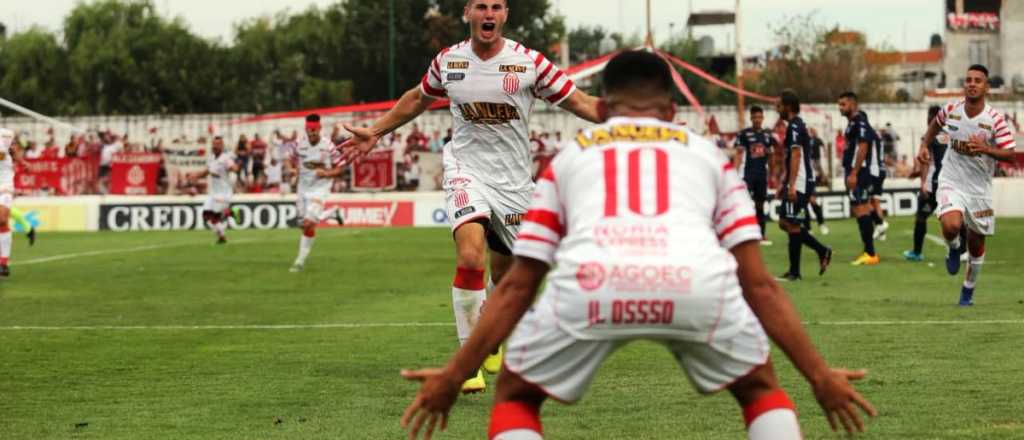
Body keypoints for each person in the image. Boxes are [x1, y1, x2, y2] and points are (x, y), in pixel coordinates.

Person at [399, 50, 875, 440]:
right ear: (671, 112)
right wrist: (819, 375)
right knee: (760, 390)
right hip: (694, 287)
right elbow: (759, 284)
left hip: (592, 287)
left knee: (517, 399)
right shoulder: (708, 157)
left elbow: (519, 285)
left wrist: (455, 373)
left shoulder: (569, 160)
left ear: (603, 110)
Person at [340, 0, 602, 393]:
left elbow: (581, 102)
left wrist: (638, 118)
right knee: (469, 256)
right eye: (481, 6)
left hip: (514, 184)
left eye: (496, 6)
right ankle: (469, 361)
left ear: (505, 14)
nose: (488, 13)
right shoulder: (449, 61)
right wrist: (376, 131)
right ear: (468, 13)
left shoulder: (530, 63)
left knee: (509, 276)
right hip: (466, 170)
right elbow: (417, 97)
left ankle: (491, 333)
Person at [916, 64, 1017, 306]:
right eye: (968, 80)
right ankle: (953, 246)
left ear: (986, 87)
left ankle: (967, 291)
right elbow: (935, 125)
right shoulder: (951, 109)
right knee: (951, 225)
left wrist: (986, 149)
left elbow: (1010, 154)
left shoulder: (995, 119)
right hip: (951, 180)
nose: (972, 84)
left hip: (979, 189)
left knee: (977, 244)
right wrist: (923, 145)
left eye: (977, 80)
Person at [777, 90, 832, 281]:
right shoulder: (796, 125)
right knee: (786, 222)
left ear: (788, 106)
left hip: (800, 182)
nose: (777, 109)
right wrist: (785, 183)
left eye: (779, 106)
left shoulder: (794, 126)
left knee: (791, 224)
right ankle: (821, 251)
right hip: (799, 181)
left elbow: (796, 155)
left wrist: (792, 185)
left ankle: (795, 272)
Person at [287, 114, 346, 273]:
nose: (312, 132)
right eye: (309, 129)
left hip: (320, 189)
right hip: (302, 189)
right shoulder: (299, 143)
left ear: (319, 128)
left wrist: (326, 173)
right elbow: (288, 158)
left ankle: (299, 262)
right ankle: (332, 213)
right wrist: (291, 169)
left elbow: (341, 167)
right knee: (304, 225)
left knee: (308, 223)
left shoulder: (328, 145)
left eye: (314, 129)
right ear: (306, 129)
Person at [904, 105, 955, 262]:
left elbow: (925, 162)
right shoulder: (951, 136)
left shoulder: (928, 137)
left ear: (930, 119)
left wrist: (922, 183)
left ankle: (917, 253)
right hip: (950, 184)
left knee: (921, 217)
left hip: (933, 185)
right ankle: (958, 251)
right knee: (950, 219)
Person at [838, 92, 881, 266]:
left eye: (843, 104)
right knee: (859, 209)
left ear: (853, 104)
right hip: (854, 171)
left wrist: (854, 173)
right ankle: (868, 250)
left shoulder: (860, 122)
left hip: (860, 172)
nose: (840, 108)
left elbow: (863, 147)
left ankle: (870, 253)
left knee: (861, 208)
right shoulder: (852, 124)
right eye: (839, 104)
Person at [732, 105, 776, 245]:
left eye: (759, 117)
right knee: (743, 204)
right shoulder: (744, 134)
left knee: (760, 205)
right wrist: (733, 173)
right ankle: (742, 235)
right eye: (755, 117)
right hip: (747, 174)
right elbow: (739, 154)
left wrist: (773, 174)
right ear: (750, 118)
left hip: (761, 175)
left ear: (763, 118)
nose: (757, 119)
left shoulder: (767, 135)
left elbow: (771, 156)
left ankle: (761, 235)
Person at [188, 136, 239, 245]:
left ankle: (232, 212)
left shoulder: (225, 159)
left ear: (222, 146)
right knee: (206, 216)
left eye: (218, 144)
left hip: (224, 193)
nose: (215, 146)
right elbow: (207, 172)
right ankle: (221, 237)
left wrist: (233, 168)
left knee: (214, 216)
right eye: (214, 144)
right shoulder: (211, 158)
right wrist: (196, 176)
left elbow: (234, 168)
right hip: (213, 193)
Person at [0, 128, 27, 277]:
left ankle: (3, 263)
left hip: (4, 183)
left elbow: (14, 151)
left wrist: (23, 162)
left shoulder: (6, 134)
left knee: (2, 220)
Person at [807, 127, 829, 235]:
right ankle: (807, 228)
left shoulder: (814, 156)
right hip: (800, 178)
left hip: (809, 179)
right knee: (802, 205)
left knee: (812, 201)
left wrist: (821, 173)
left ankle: (821, 224)